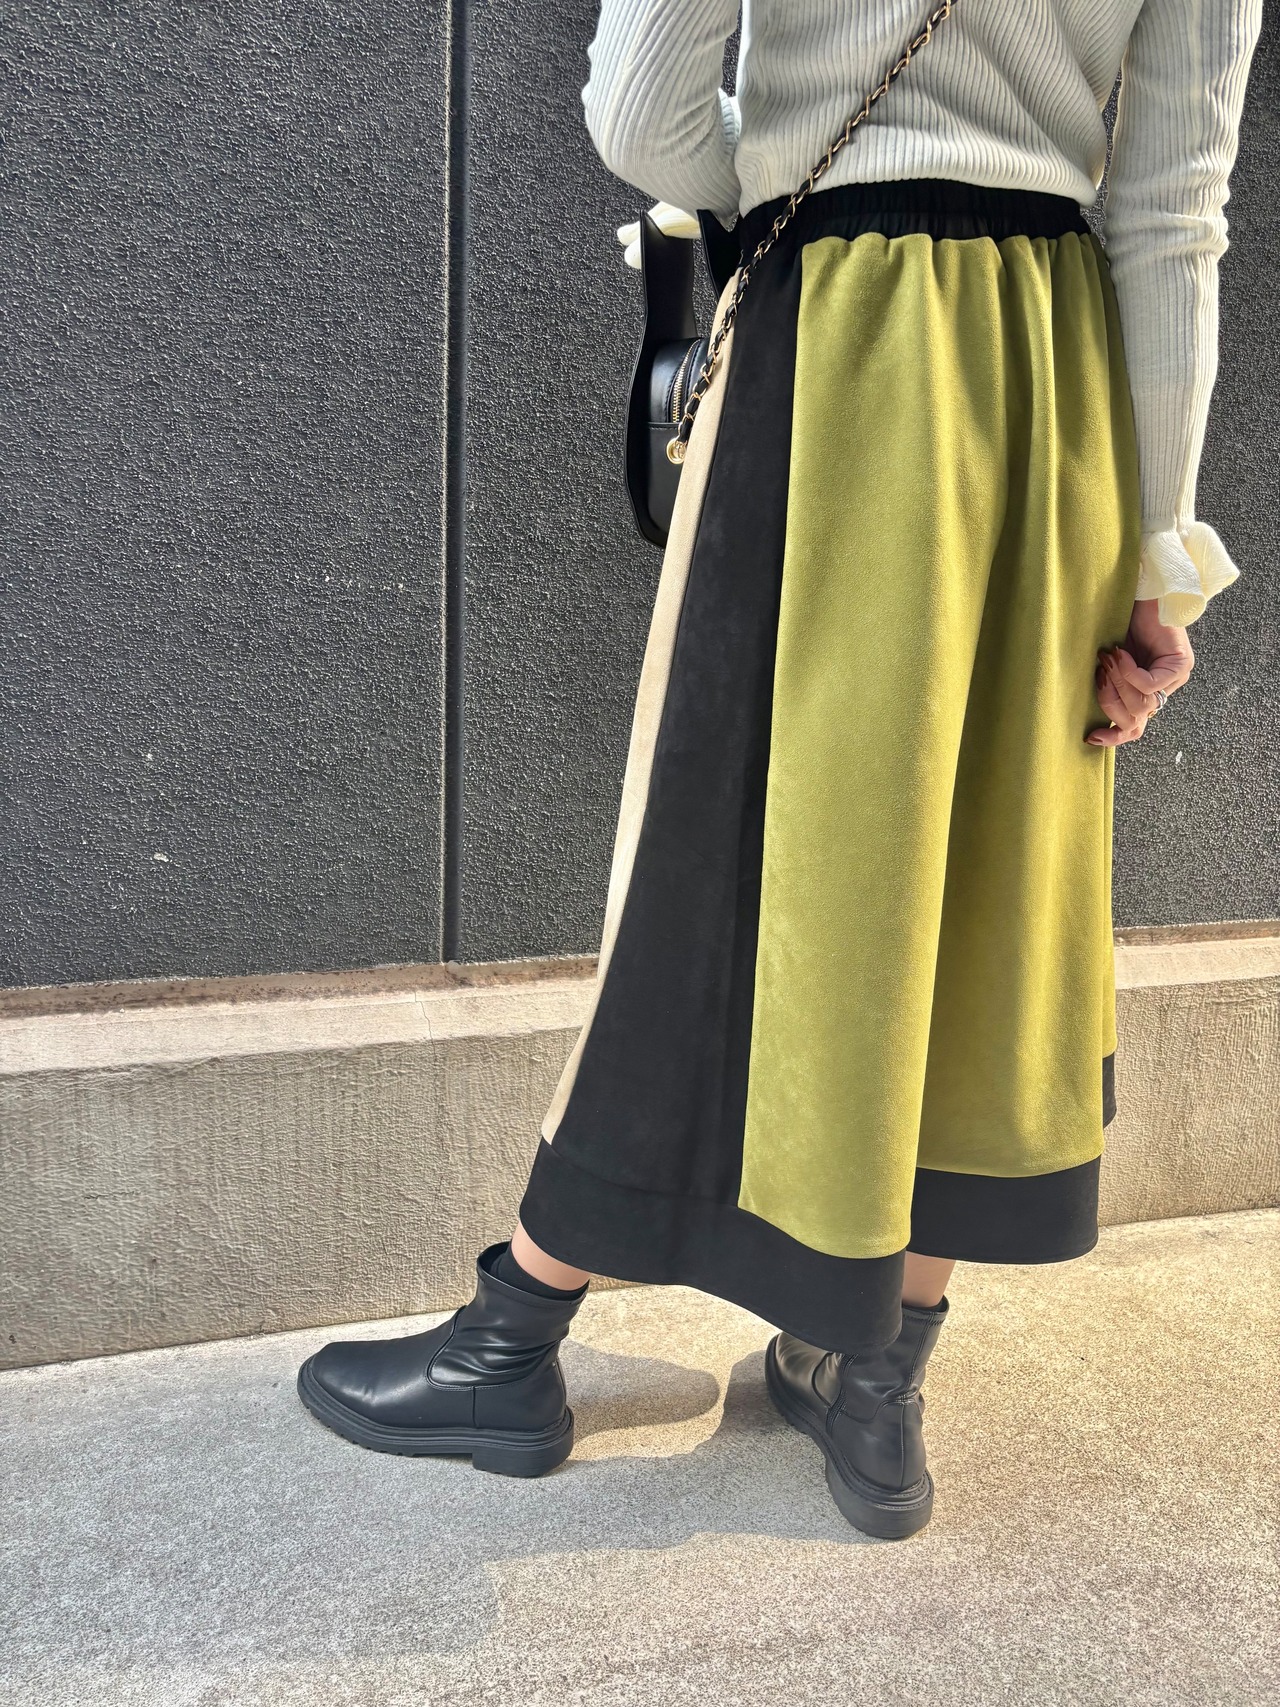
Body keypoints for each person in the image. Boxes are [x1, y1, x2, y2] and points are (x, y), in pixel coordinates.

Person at [297, 0, 1262, 1539]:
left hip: (843, 338)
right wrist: (1160, 562)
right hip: (1054, 381)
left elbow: (643, 113)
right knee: (983, 879)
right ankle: (875, 1380)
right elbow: (1170, 208)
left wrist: (798, 153)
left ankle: (513, 1342)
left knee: (716, 850)